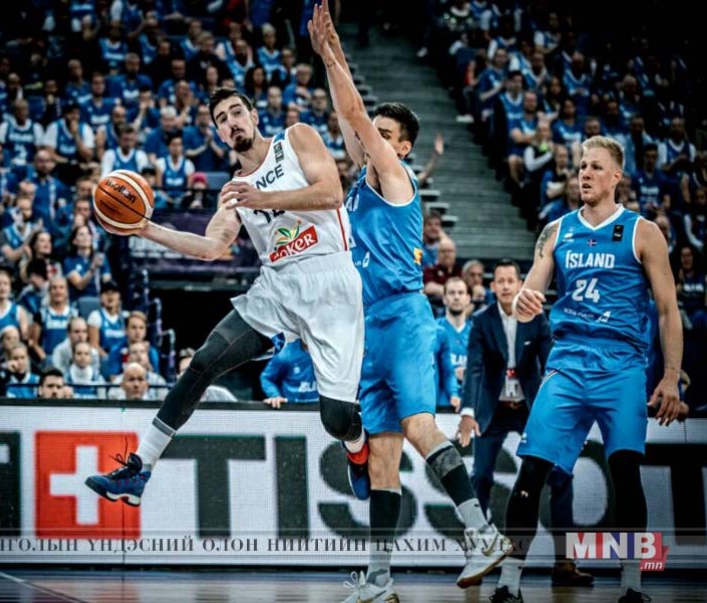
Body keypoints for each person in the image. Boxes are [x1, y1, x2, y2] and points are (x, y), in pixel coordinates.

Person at [85, 85, 366, 509]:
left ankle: (358, 446)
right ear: (218, 134)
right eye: (221, 119)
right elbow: (211, 247)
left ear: (253, 116)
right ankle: (140, 469)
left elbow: (331, 193)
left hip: (331, 280)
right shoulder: (234, 190)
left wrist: (263, 198)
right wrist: (146, 229)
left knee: (337, 419)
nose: (231, 122)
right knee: (204, 360)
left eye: (236, 112)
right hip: (277, 287)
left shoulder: (296, 138)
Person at [308, 5, 507, 600]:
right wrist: (330, 58)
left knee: (420, 427)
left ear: (404, 148)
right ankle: (379, 580)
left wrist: (332, 54)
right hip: (367, 328)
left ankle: (483, 533)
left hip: (403, 318)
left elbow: (353, 116)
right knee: (382, 460)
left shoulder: (396, 181)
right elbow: (348, 119)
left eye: (385, 135)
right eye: (376, 134)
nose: (373, 139)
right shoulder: (363, 180)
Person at [485, 136, 684, 603]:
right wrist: (524, 301)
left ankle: (631, 585)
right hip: (569, 362)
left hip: (623, 366)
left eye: (595, 167)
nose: (585, 174)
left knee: (626, 472)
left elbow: (668, 310)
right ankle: (509, 583)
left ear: (617, 176)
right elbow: (528, 296)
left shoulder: (643, 232)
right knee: (532, 469)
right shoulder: (556, 231)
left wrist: (671, 376)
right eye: (581, 167)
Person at [457, 260, 592, 586]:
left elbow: (552, 364)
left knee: (560, 474)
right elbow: (474, 368)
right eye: (500, 281)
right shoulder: (482, 321)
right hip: (493, 409)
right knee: (480, 477)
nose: (505, 286)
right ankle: (477, 557)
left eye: (510, 280)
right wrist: (467, 411)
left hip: (530, 408)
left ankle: (565, 561)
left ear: (520, 285)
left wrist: (566, 415)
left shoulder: (538, 319)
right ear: (492, 287)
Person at [260, 340, 318, 408]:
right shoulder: (284, 354)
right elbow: (267, 378)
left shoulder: (328, 354)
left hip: (323, 408)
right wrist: (275, 395)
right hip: (291, 408)